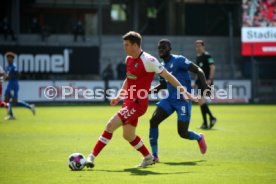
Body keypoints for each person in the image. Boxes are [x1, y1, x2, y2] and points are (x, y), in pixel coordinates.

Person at [86, 31, 197, 168]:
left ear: (135, 45)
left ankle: (91, 157)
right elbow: (129, 79)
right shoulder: (129, 59)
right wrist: (119, 96)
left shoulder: (149, 60)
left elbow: (168, 76)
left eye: (126, 45)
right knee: (128, 135)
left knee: (110, 125)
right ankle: (148, 157)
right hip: (128, 102)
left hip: (138, 104)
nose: (124, 47)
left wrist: (183, 91)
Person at [149, 39, 209, 162]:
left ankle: (198, 137)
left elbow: (198, 70)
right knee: (153, 121)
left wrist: (205, 86)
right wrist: (147, 91)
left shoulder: (179, 60)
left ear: (169, 49)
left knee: (182, 133)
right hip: (170, 100)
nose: (161, 49)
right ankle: (154, 156)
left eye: (164, 47)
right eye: (159, 48)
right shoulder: (161, 67)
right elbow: (163, 86)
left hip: (183, 100)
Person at [4, 51, 35, 120]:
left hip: (14, 85)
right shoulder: (7, 67)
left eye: (9, 58)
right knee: (6, 99)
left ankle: (29, 106)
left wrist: (13, 76)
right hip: (10, 84)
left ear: (12, 59)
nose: (8, 59)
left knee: (14, 101)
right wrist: (5, 77)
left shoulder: (14, 66)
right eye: (7, 58)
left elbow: (18, 73)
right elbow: (6, 76)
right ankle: (11, 115)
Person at [194, 40, 217, 129]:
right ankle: (208, 120)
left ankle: (208, 120)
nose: (198, 47)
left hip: (206, 82)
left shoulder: (207, 56)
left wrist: (210, 79)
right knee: (200, 102)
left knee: (201, 101)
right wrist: (195, 82)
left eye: (199, 46)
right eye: (196, 46)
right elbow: (198, 71)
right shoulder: (198, 57)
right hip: (200, 82)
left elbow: (212, 67)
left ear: (203, 46)